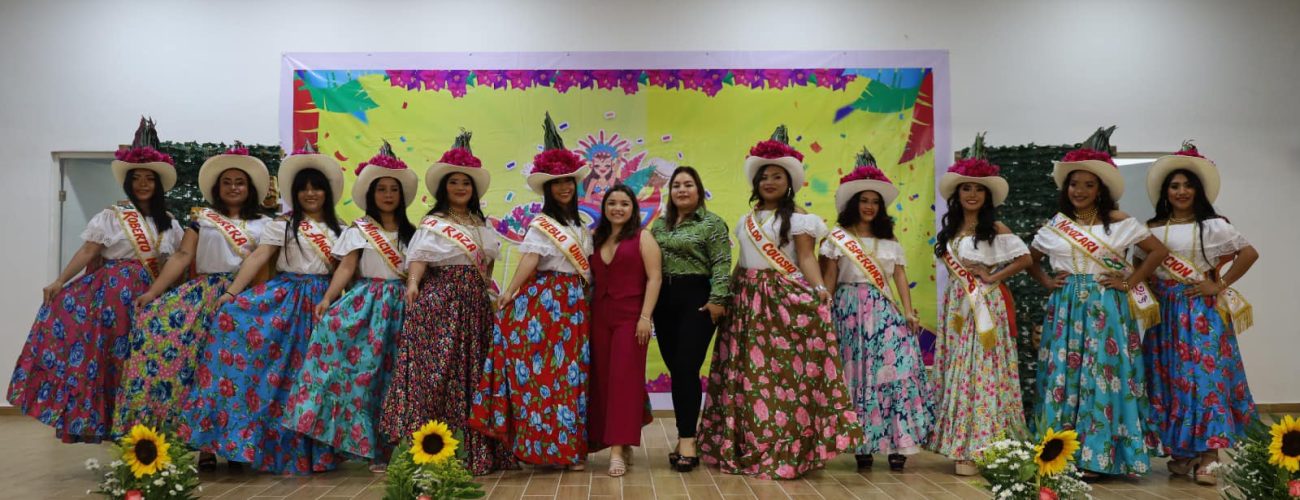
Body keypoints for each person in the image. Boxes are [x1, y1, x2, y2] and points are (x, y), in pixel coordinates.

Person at [696, 125, 862, 480]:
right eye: (763, 177)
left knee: (781, 379)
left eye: (776, 176)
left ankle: (783, 448)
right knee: (745, 377)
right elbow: (740, 262)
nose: (769, 181)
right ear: (755, 184)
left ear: (789, 182)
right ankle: (743, 445)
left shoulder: (800, 220)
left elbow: (805, 259)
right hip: (745, 303)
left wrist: (819, 293)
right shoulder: (745, 220)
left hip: (781, 301)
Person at [8, 117, 183, 443]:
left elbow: (175, 262)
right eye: (137, 178)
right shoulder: (111, 216)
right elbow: (89, 251)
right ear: (128, 183)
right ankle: (111, 425)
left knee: (142, 359)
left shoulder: (170, 223)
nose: (143, 184)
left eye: (150, 179)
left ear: (158, 185)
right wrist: (60, 280)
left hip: (152, 294)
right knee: (110, 356)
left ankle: (143, 426)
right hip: (112, 296)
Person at [181, 143, 345, 475]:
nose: (310, 194)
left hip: (324, 302)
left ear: (327, 192)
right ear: (295, 194)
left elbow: (347, 269)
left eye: (316, 188)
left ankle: (317, 452)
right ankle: (239, 442)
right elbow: (258, 257)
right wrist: (232, 293)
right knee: (277, 376)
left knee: (316, 379)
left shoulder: (341, 229)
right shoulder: (282, 226)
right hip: (287, 300)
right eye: (303, 189)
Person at [112, 142, 270, 470]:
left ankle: (236, 443)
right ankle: (205, 445)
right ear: (217, 187)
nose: (233, 187)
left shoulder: (264, 225)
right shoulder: (202, 220)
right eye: (227, 182)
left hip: (246, 301)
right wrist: (154, 293)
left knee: (240, 373)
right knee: (203, 372)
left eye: (239, 182)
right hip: (206, 298)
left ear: (250, 188)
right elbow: (183, 256)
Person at [1026, 127, 1168, 479]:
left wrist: (1129, 281)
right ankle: (1061, 453)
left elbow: (1157, 253)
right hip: (1065, 307)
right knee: (1065, 375)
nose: (1080, 191)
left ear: (1101, 190)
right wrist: (1045, 280)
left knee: (1102, 377)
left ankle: (1100, 456)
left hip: (1107, 308)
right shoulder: (1057, 225)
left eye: (1089, 185)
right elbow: (1029, 258)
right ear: (1066, 187)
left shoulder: (1119, 222)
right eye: (1075, 184)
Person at [380, 130, 516, 475]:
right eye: (454, 182)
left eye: (465, 184)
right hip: (440, 301)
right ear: (444, 188)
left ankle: (473, 450)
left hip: (474, 304)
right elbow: (420, 258)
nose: (460, 188)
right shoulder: (434, 223)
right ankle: (424, 448)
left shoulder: (481, 226)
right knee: (436, 373)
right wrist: (413, 284)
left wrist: (486, 290)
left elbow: (486, 266)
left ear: (473, 191)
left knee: (474, 373)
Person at [469, 113, 593, 469]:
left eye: (568, 181)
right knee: (545, 378)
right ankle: (540, 448)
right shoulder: (542, 224)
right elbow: (530, 261)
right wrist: (509, 293)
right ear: (547, 189)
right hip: (546, 303)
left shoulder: (580, 225)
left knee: (570, 377)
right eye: (557, 183)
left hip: (574, 305)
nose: (565, 187)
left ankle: (567, 449)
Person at [283, 141, 417, 468]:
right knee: (365, 377)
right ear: (370, 194)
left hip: (403, 307)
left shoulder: (415, 232)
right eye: (381, 189)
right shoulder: (360, 229)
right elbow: (345, 266)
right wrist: (328, 299)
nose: (387, 195)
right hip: (367, 306)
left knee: (398, 378)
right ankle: (367, 447)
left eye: (393, 189)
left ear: (401, 195)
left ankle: (395, 447)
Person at [1140, 141, 1258, 485]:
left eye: (1187, 185)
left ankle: (1210, 454)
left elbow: (1249, 253)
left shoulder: (1214, 226)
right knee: (1170, 378)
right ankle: (1182, 451)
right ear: (1165, 191)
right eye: (1174, 186)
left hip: (1201, 311)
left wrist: (1218, 286)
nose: (1181, 191)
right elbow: (1140, 267)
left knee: (1205, 379)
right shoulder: (1152, 228)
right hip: (1164, 314)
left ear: (1198, 189)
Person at [926, 134, 1032, 476]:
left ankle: (986, 445)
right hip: (957, 306)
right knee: (960, 371)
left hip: (985, 305)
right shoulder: (951, 229)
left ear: (987, 196)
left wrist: (993, 277)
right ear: (957, 194)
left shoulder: (996, 227)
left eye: (978, 189)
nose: (971, 194)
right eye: (966, 188)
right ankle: (962, 445)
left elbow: (1026, 258)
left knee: (984, 371)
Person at [820, 148, 929, 471]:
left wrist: (909, 312)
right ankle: (862, 444)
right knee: (856, 376)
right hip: (847, 311)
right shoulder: (837, 239)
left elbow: (899, 277)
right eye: (864, 200)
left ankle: (899, 443)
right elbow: (829, 281)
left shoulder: (889, 241)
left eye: (875, 202)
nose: (869, 206)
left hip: (883, 313)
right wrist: (822, 309)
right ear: (853, 204)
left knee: (892, 375)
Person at [650, 165, 730, 472]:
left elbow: (722, 263)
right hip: (665, 301)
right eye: (676, 185)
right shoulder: (659, 226)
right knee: (678, 370)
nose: (682, 190)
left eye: (688, 184)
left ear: (699, 190)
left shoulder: (712, 224)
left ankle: (687, 440)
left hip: (698, 300)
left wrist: (717, 300)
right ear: (670, 192)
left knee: (686, 367)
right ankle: (686, 434)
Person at [588, 184, 662, 477]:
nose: (617, 208)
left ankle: (617, 451)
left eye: (624, 204)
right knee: (603, 382)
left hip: (631, 318)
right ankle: (619, 442)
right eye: (612, 203)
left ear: (634, 208)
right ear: (604, 208)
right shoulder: (596, 238)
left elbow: (655, 278)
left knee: (623, 382)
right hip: (599, 318)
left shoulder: (643, 237)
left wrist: (646, 316)